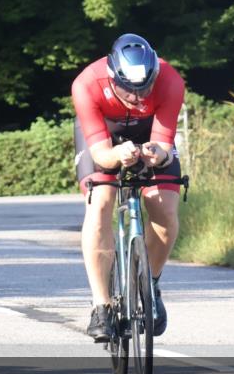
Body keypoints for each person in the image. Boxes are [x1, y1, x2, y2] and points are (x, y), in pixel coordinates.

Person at [71, 33, 185, 342]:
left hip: (149, 134)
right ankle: (101, 306)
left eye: (144, 88)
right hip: (104, 137)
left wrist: (156, 154)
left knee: (164, 207)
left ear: (155, 75)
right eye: (127, 89)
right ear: (111, 77)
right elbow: (101, 156)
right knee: (101, 201)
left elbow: (163, 145)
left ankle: (151, 283)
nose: (136, 97)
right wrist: (118, 155)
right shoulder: (86, 84)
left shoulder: (171, 81)